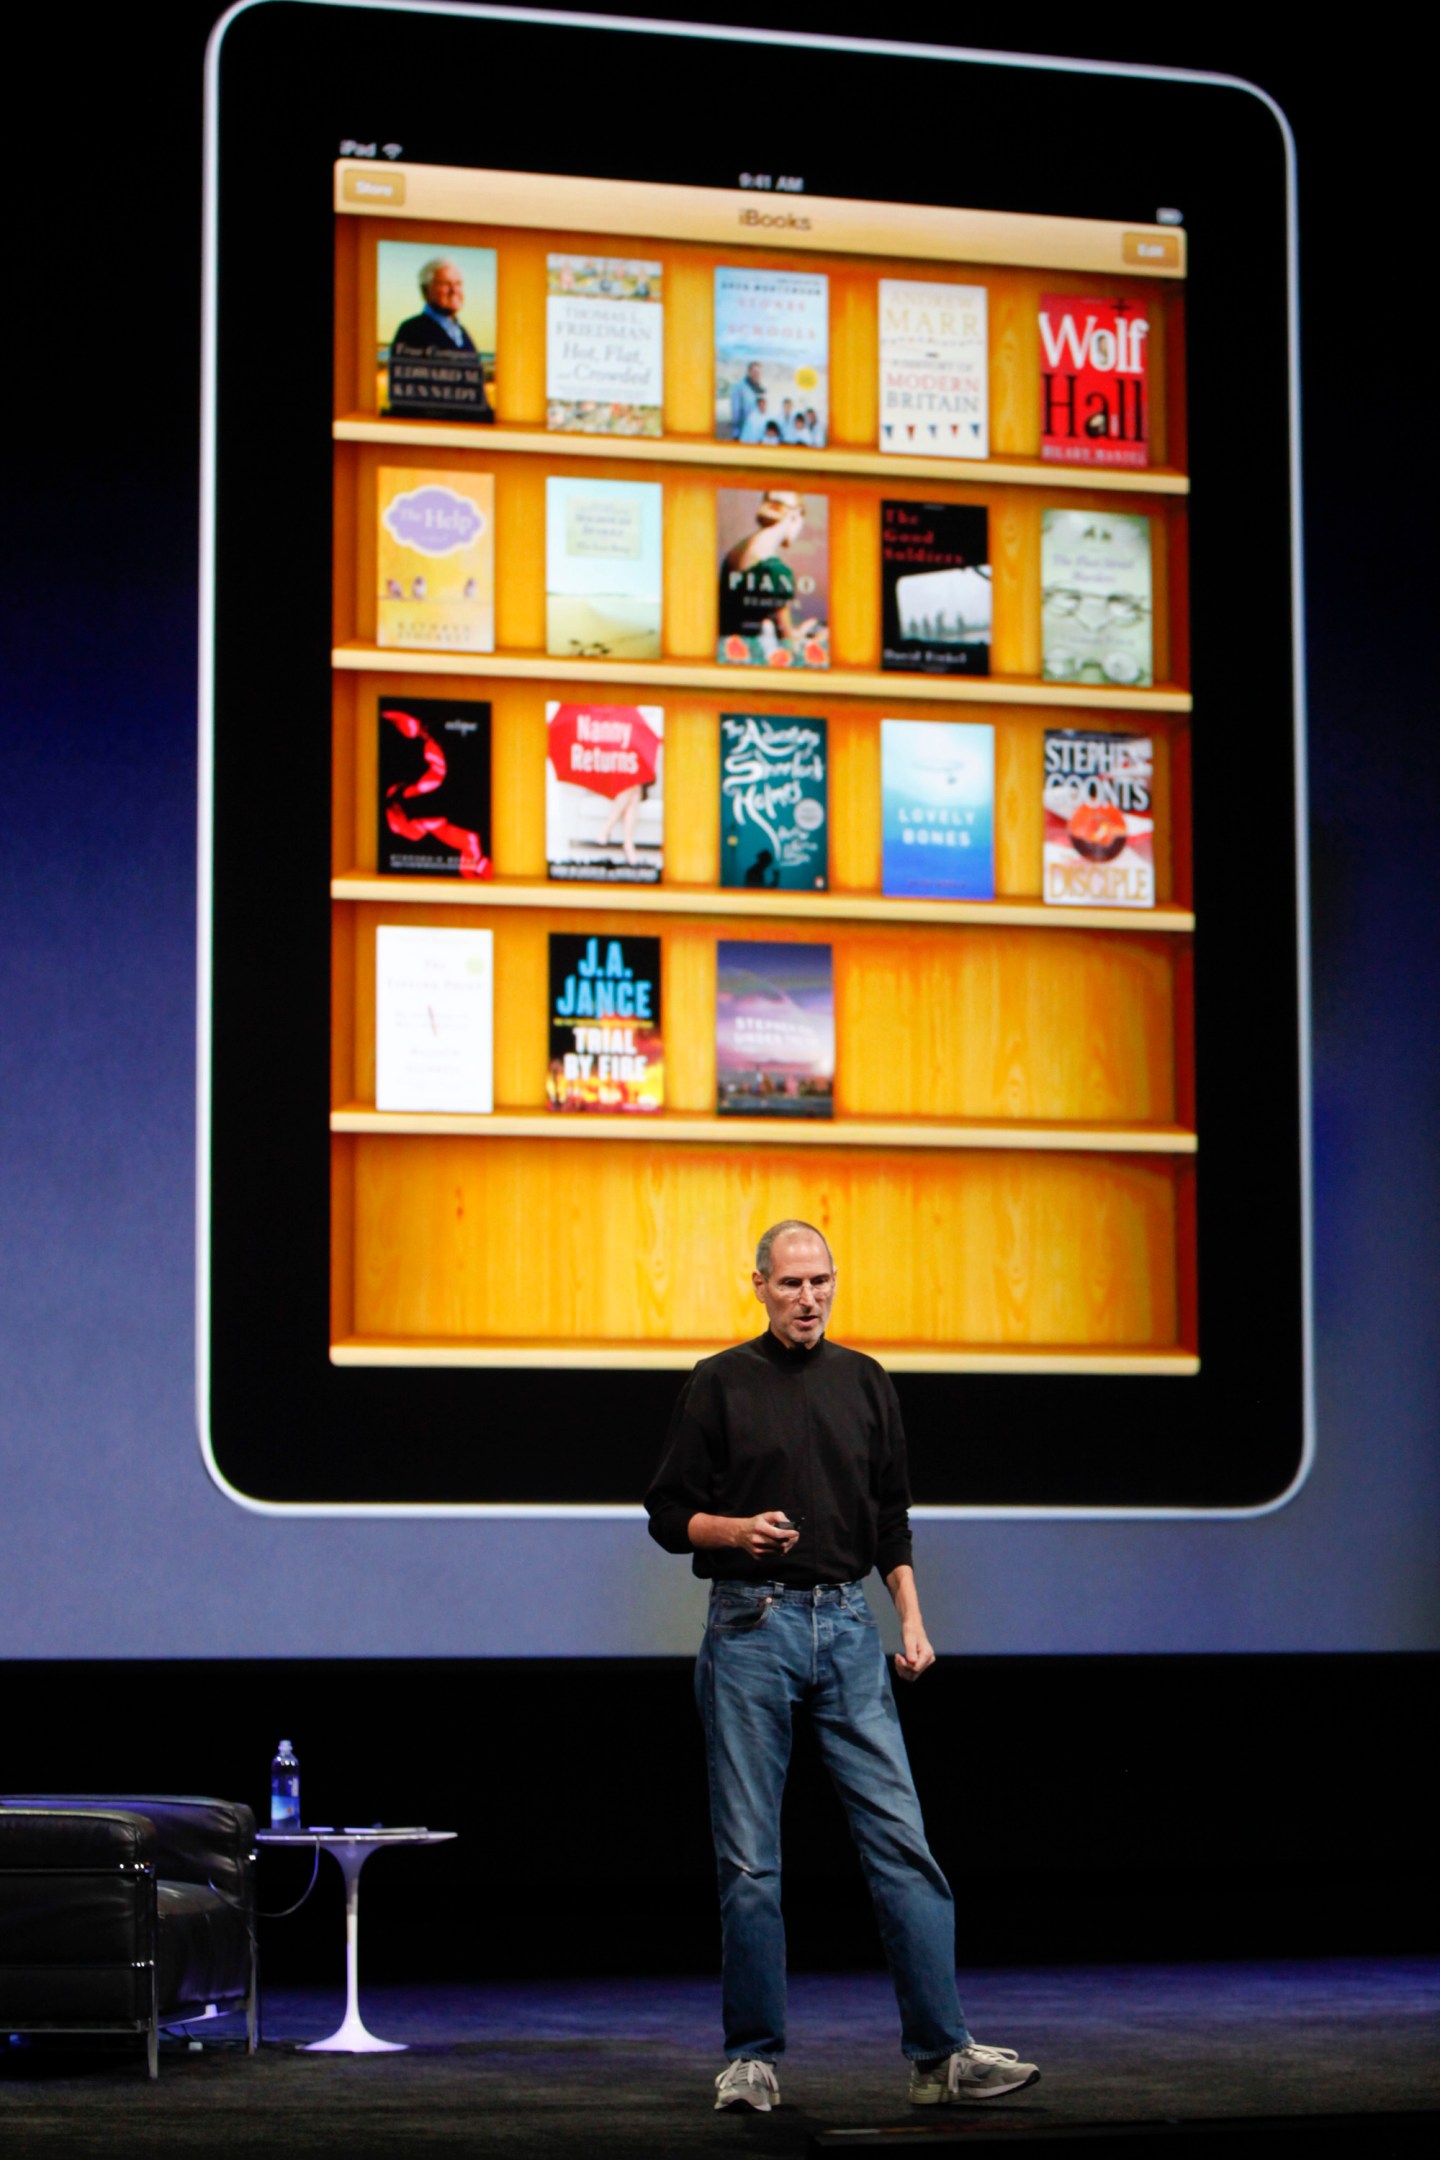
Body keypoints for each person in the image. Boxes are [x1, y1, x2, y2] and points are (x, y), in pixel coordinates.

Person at [644, 1222, 1040, 2115]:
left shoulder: (865, 1380)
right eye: (791, 1283)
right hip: (752, 1626)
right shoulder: (719, 1382)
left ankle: (941, 2056)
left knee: (903, 1844)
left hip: (851, 1626)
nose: (809, 1298)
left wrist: (911, 1616)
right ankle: (751, 2059)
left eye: (821, 1281)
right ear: (758, 1285)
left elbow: (890, 1516)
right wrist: (735, 1532)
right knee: (751, 1858)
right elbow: (666, 1513)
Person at [717, 491, 825, 660]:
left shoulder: (736, 552)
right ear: (794, 517)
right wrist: (815, 638)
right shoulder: (776, 571)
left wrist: (799, 630)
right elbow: (789, 644)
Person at [390, 256, 495, 419]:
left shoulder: (462, 333)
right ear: (425, 291)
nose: (454, 290)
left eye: (458, 284)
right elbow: (409, 400)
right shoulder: (411, 331)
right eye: (446, 284)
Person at [729, 359, 766, 439]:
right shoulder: (739, 387)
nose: (757, 375)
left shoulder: (761, 389)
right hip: (743, 432)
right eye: (755, 372)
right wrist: (737, 434)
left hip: (757, 433)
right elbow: (735, 413)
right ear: (749, 372)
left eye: (759, 372)